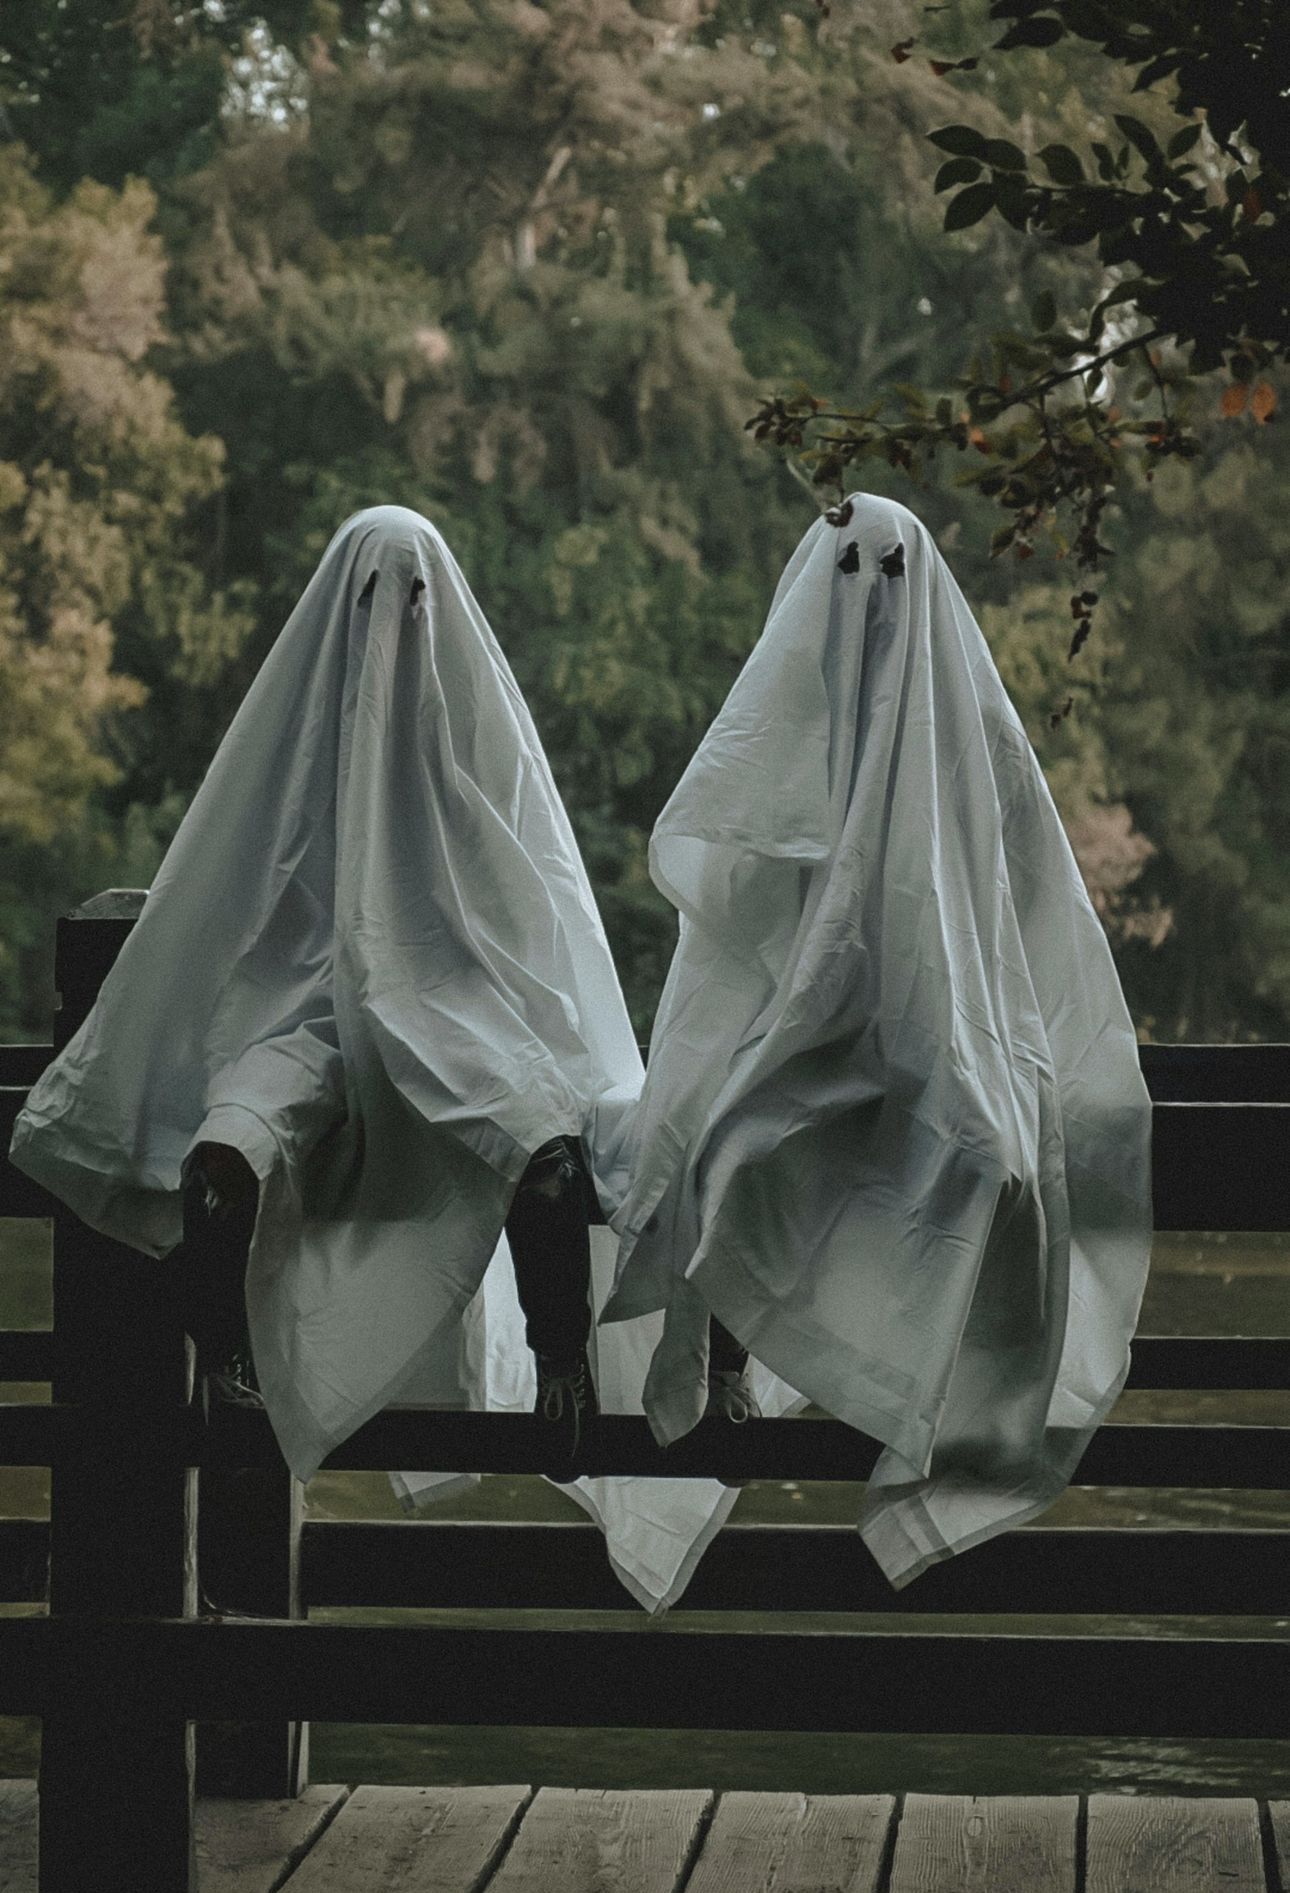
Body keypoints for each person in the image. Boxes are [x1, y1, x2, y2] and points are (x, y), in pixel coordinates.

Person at [9, 504, 744, 1610]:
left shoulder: (472, 748)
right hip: (308, 1026)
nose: (392, 624)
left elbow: (530, 915)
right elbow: (234, 910)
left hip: (461, 1024)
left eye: (410, 599)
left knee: (543, 1154)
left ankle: (561, 1364)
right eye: (373, 598)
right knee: (220, 1164)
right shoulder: (295, 752)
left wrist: (494, 1018)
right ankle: (237, 1362)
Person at [600, 492, 1154, 1591]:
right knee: (725, 1141)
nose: (870, 606)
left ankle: (922, 1418)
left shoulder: (962, 736)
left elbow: (1012, 923)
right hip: (795, 1036)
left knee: (989, 1159)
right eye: (849, 578)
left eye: (889, 578)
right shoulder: (781, 735)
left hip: (931, 1034)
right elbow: (732, 941)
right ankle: (734, 1369)